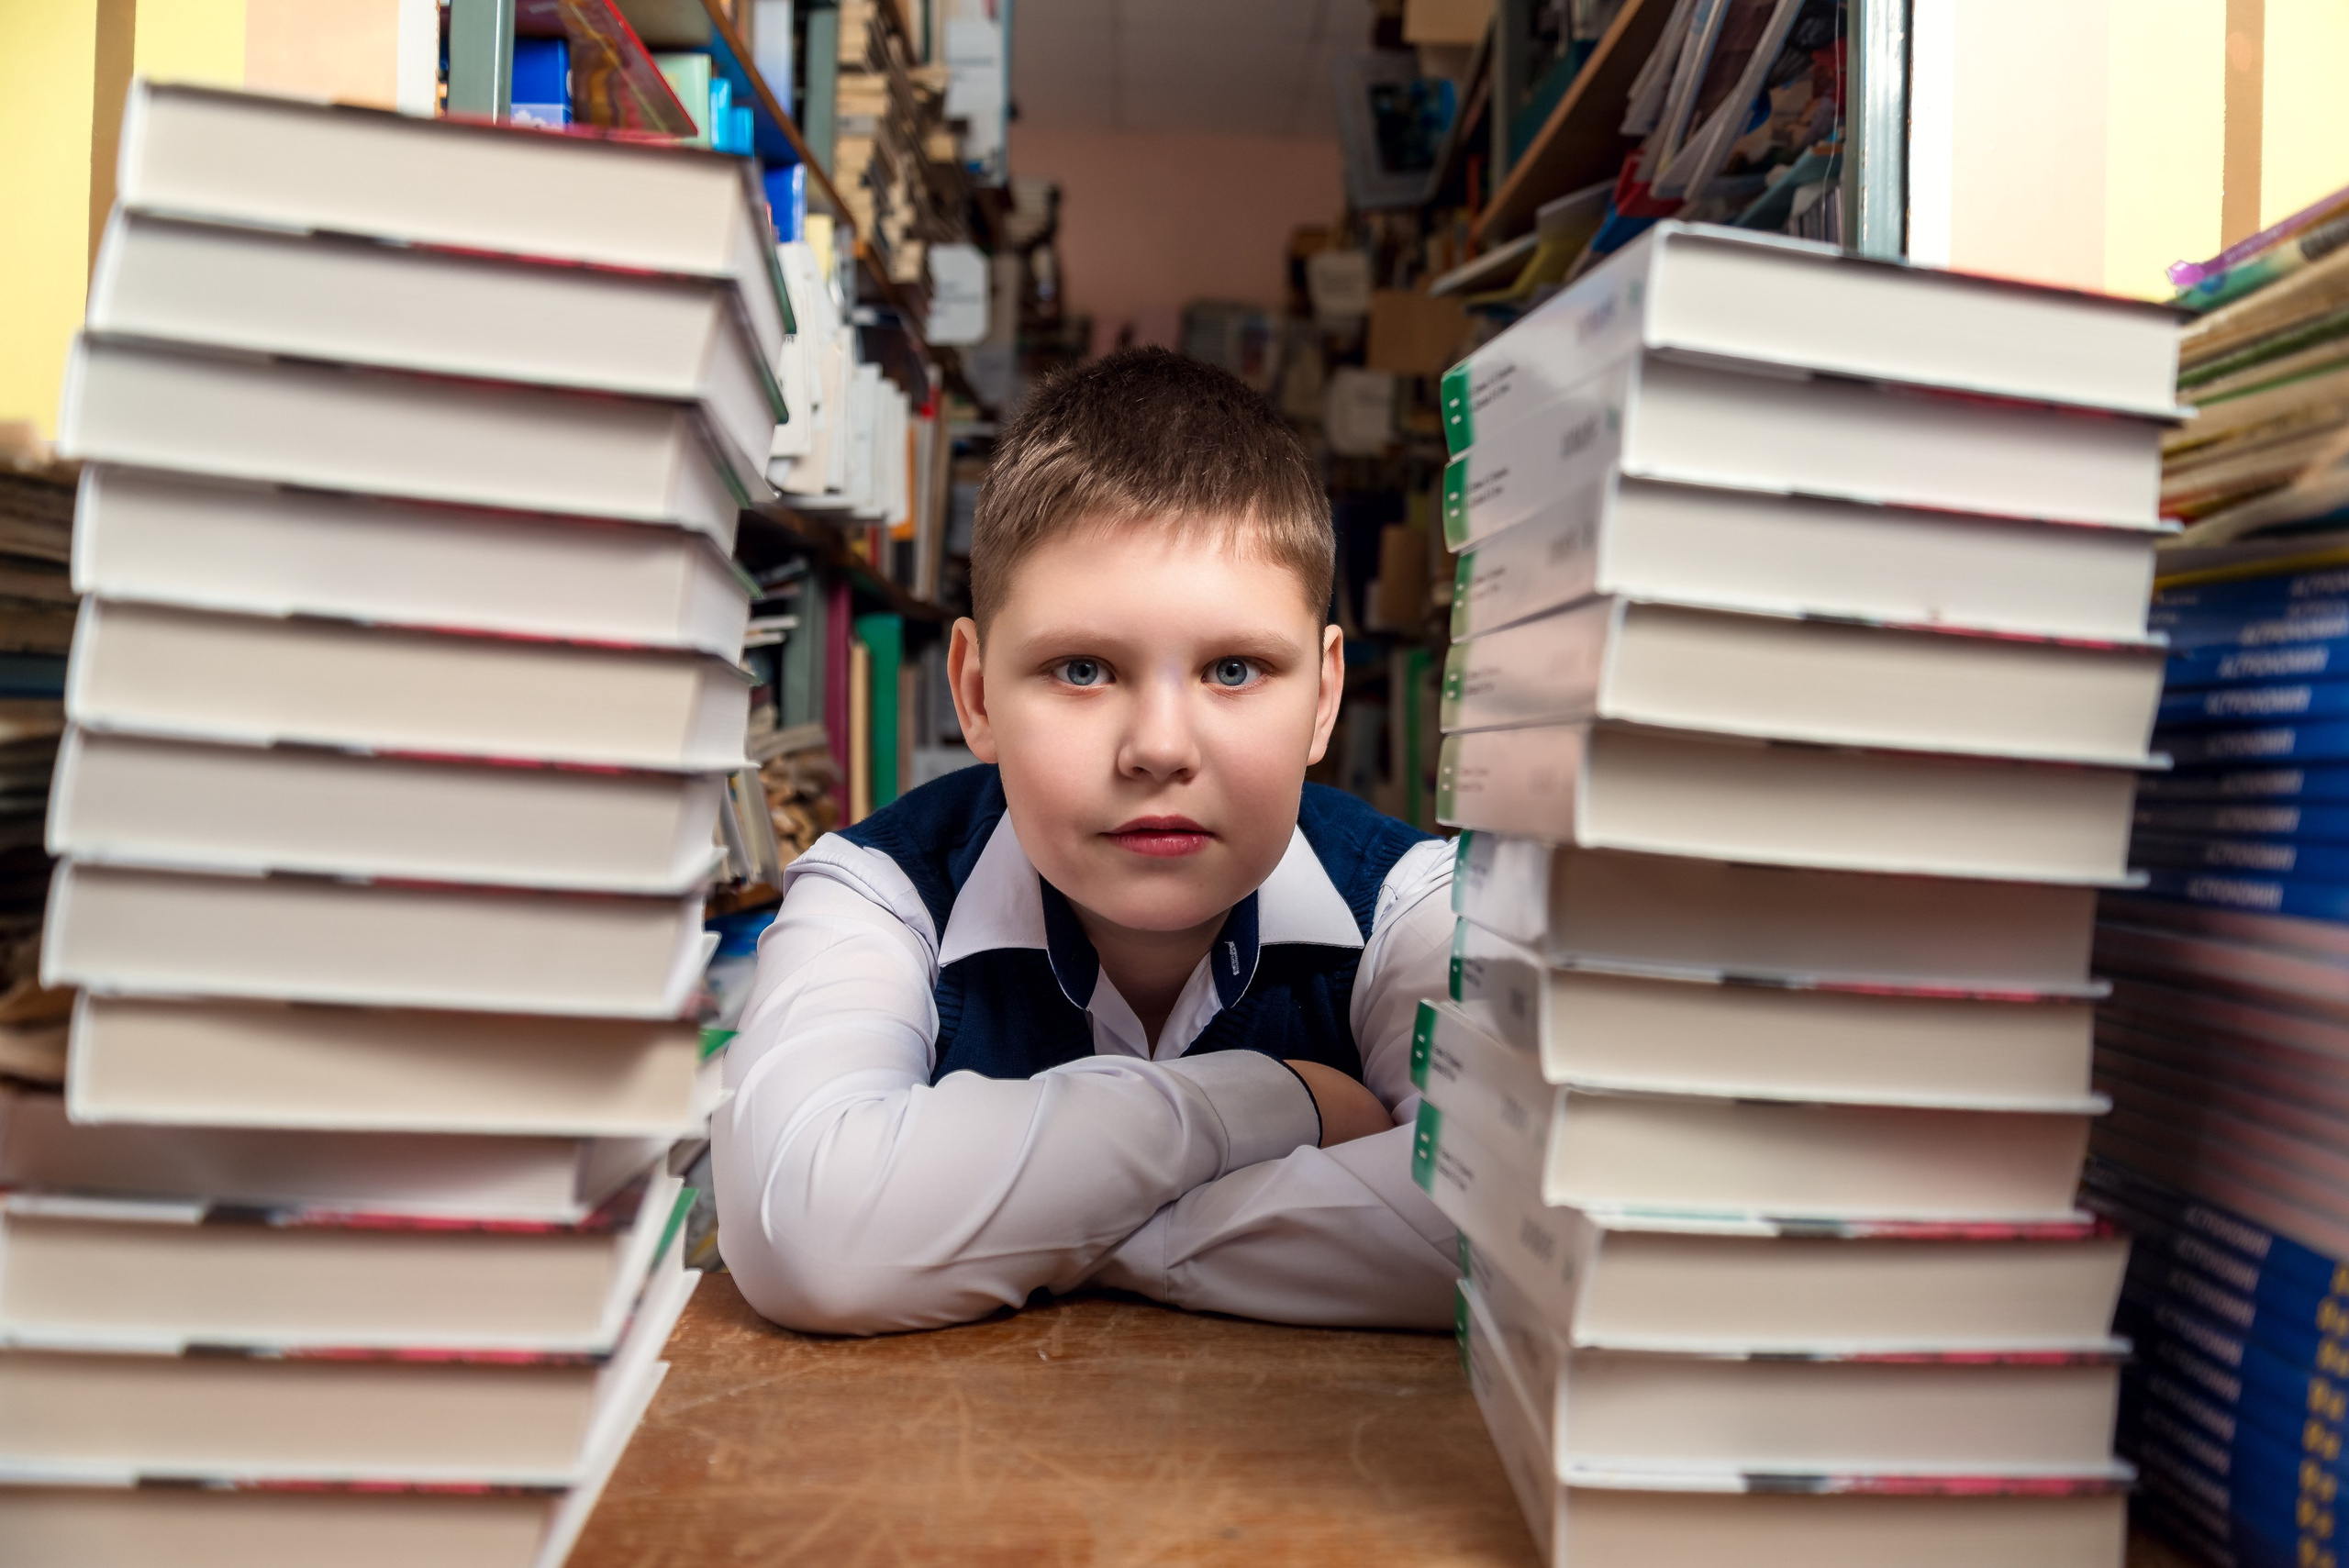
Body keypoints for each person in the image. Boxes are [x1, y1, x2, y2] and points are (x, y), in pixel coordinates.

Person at [711, 348, 1458, 1335]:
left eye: (1234, 669)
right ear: (976, 691)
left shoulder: (1412, 898)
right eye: (1081, 668)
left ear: (1323, 698)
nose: (1158, 747)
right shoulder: (877, 891)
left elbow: (1511, 1223)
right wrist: (1274, 1101)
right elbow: (809, 1237)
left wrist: (1026, 1235)